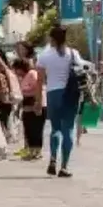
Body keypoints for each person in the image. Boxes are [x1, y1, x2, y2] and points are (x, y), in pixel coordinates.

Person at [36, 25, 84, 178]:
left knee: (55, 129)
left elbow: (39, 81)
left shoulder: (44, 55)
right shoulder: (73, 53)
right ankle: (64, 167)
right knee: (68, 129)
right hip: (70, 94)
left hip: (52, 93)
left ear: (51, 38)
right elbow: (82, 71)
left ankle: (52, 159)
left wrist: (38, 101)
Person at [13, 57, 45, 160]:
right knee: (29, 129)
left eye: (16, 69)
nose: (16, 72)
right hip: (27, 105)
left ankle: (37, 151)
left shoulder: (32, 74)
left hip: (35, 104)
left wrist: (37, 102)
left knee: (36, 129)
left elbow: (38, 88)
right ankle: (32, 150)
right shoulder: (24, 77)